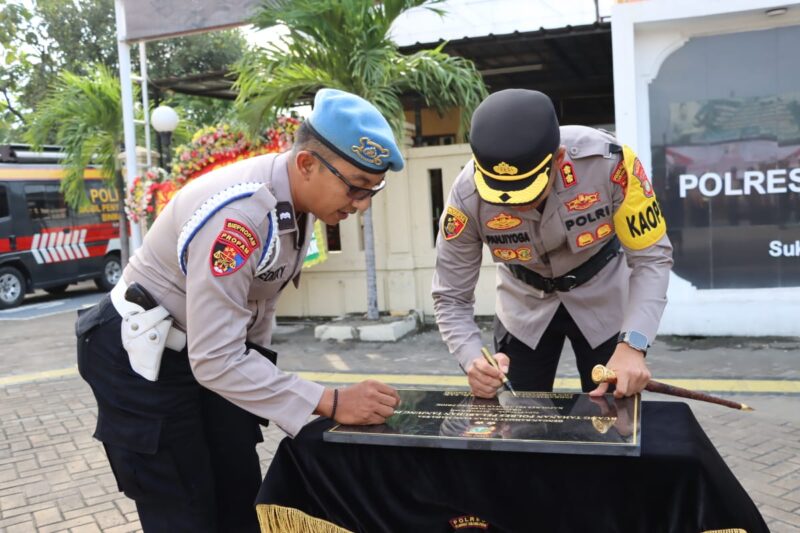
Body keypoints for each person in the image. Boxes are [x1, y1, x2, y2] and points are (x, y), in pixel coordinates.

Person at [76, 88, 403, 532]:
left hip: (207, 350)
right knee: (185, 508)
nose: (361, 204)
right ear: (306, 163)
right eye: (355, 187)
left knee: (240, 494)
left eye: (372, 191)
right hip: (143, 357)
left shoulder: (299, 202)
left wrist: (289, 399)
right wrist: (331, 401)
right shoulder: (241, 218)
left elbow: (256, 304)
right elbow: (214, 360)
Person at [432, 89, 673, 400]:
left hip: (603, 295)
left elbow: (651, 259)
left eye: (527, 192)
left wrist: (634, 345)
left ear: (558, 160)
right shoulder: (466, 197)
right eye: (500, 196)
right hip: (523, 304)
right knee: (516, 419)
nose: (515, 207)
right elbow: (450, 296)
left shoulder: (611, 165)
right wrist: (473, 360)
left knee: (614, 419)